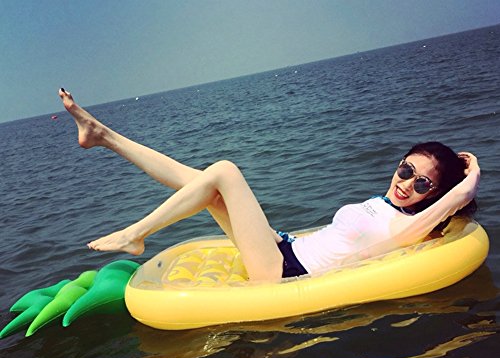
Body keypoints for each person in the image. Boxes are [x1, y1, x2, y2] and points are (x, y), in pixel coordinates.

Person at [58, 89, 480, 282]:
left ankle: (135, 234)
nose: (407, 184)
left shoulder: (410, 225)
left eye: (422, 183)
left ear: (434, 195)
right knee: (202, 181)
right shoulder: (380, 203)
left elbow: (457, 198)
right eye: (406, 170)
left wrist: (471, 176)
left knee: (225, 170)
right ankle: (104, 136)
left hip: (285, 271)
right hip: (283, 246)